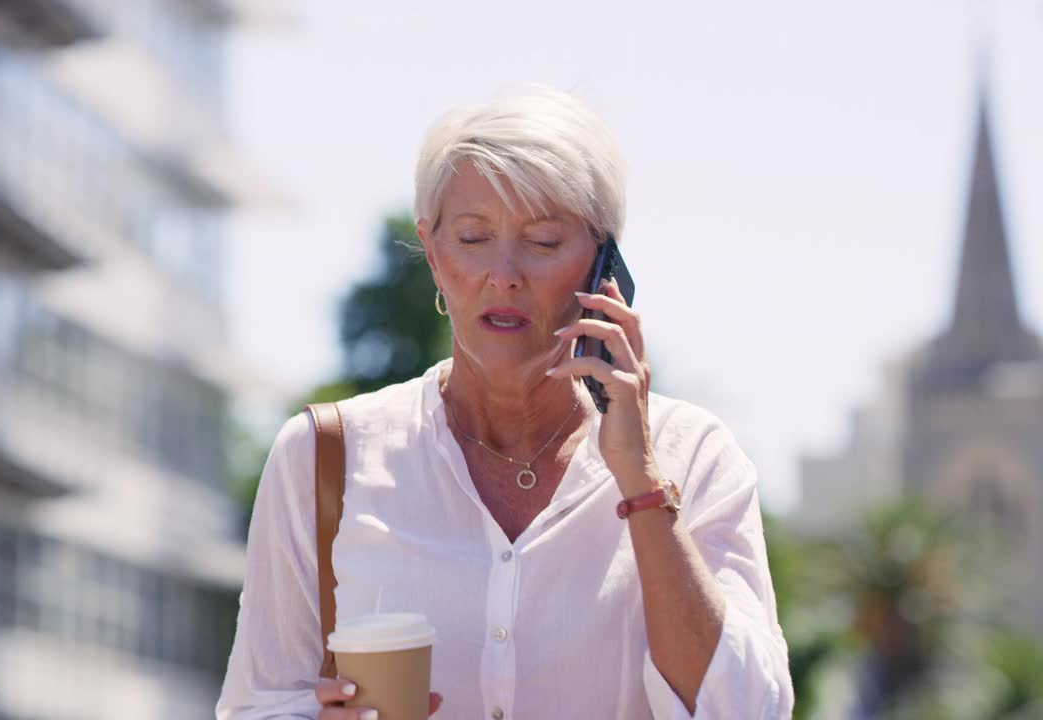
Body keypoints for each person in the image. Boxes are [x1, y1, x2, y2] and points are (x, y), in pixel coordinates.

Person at [217, 86, 794, 719]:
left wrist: (642, 480)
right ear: (432, 253)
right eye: (471, 238)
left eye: (544, 242)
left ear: (605, 265)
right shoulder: (323, 457)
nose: (505, 274)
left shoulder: (697, 456)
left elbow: (746, 710)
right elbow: (259, 705)